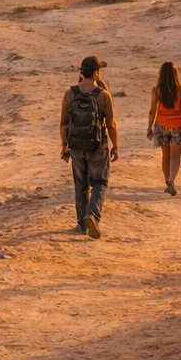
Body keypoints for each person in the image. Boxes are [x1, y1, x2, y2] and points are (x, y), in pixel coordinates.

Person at [60, 55, 119, 238]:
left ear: (82, 72)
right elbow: (111, 124)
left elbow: (63, 123)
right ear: (96, 72)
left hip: (76, 145)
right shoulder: (103, 95)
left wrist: (64, 145)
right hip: (98, 145)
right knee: (99, 183)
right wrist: (115, 146)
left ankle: (81, 225)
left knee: (81, 184)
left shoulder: (70, 93)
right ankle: (92, 215)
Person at [146, 61, 181, 196]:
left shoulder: (156, 90)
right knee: (175, 155)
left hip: (161, 125)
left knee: (165, 155)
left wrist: (149, 128)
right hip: (178, 124)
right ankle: (172, 180)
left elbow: (152, 111)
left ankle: (167, 181)